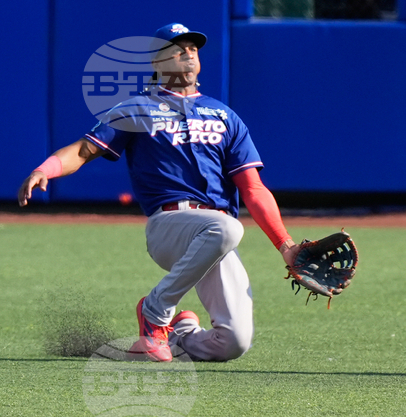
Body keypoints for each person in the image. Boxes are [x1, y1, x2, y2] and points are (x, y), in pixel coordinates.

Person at [18, 23, 303, 362]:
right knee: (228, 227)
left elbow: (253, 188)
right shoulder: (136, 108)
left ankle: (180, 334)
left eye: (192, 47)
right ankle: (155, 312)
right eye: (176, 47)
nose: (187, 51)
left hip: (217, 237)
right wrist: (44, 169)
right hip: (170, 226)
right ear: (156, 63)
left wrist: (286, 246)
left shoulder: (225, 116)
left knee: (233, 342)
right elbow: (83, 150)